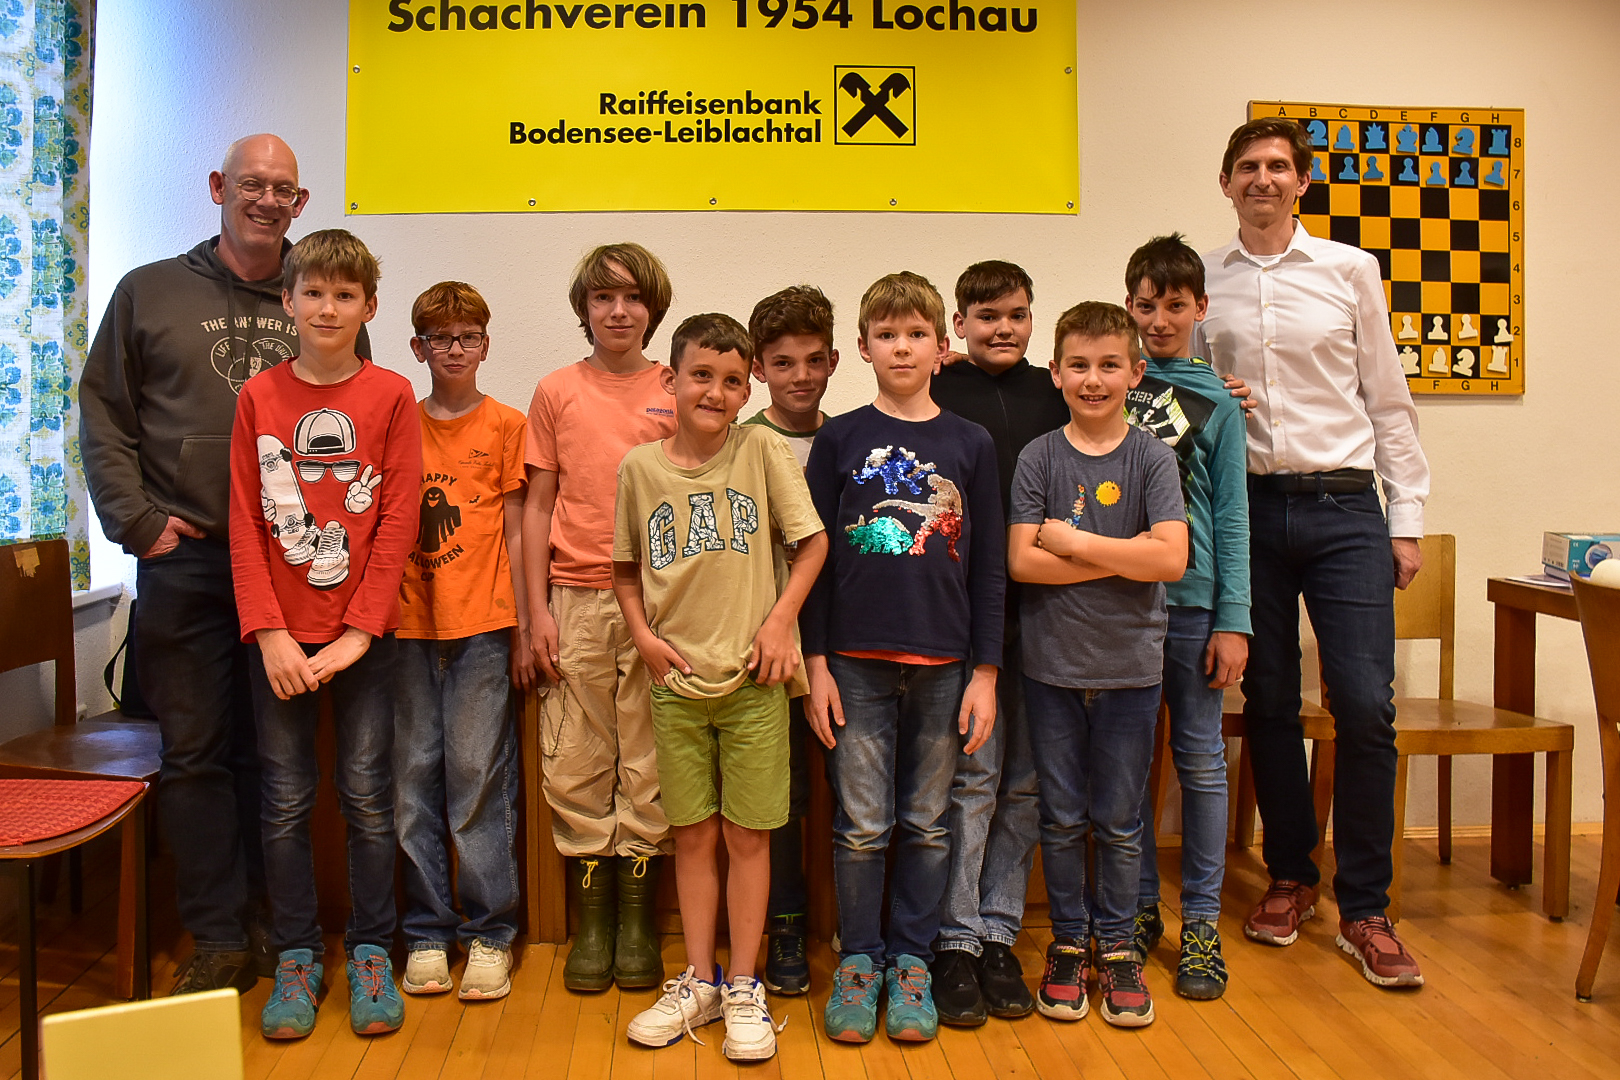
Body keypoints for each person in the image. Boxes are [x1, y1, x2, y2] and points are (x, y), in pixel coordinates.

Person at [79, 134, 368, 995]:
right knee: (197, 752)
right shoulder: (149, 291)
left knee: (273, 758)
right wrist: (138, 524)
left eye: (283, 188)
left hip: (290, 568)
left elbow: (353, 418)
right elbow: (104, 412)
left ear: (300, 202)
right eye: (251, 184)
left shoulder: (319, 292)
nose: (266, 200)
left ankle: (278, 926)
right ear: (218, 187)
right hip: (190, 563)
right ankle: (217, 934)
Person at [1199, 117, 1431, 988]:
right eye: (1247, 167)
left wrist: (1405, 519)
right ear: (1226, 182)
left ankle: (1366, 907)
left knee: (1365, 705)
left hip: (1344, 508)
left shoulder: (1349, 269)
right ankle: (1291, 875)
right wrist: (1211, 396)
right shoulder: (1204, 281)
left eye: (1277, 166)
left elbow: (1389, 400)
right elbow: (1181, 395)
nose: (1262, 178)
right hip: (1249, 511)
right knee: (1267, 698)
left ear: (1302, 181)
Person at [613, 313, 828, 1061]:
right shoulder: (640, 469)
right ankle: (699, 980)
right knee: (694, 835)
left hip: (754, 682)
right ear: (669, 379)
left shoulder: (761, 449)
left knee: (749, 835)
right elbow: (623, 569)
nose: (716, 391)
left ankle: (743, 984)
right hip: (675, 683)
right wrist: (643, 637)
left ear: (748, 389)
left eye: (733, 380)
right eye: (701, 375)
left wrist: (780, 623)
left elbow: (811, 544)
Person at [802, 271, 1004, 1045]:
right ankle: (860, 960)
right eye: (886, 334)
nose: (902, 347)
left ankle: (912, 962)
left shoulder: (970, 443)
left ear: (941, 345)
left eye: (917, 333)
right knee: (862, 825)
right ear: (862, 348)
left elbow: (989, 567)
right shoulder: (840, 438)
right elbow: (812, 557)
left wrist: (985, 672)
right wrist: (814, 662)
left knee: (925, 822)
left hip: (944, 664)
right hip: (852, 662)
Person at [228, 229, 420, 1038]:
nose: (328, 308)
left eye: (345, 295)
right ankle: (298, 955)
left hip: (362, 642)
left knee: (369, 797)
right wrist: (271, 633)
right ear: (288, 301)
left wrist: (359, 633)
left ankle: (372, 949)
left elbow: (398, 520)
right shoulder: (258, 397)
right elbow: (245, 524)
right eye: (313, 292)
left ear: (368, 307)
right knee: (283, 801)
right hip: (279, 641)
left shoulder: (393, 396)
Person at [1009, 301, 1187, 1029]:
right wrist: (1127, 556)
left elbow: (1171, 560)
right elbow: (1023, 563)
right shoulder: (1039, 457)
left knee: (1118, 820)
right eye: (1078, 365)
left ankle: (1116, 947)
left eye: (1109, 365)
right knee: (1060, 817)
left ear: (1134, 373)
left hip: (1131, 669)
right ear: (1055, 373)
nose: (1093, 379)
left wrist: (1074, 543)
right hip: (1051, 667)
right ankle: (1066, 942)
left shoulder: (1152, 457)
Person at [521, 243, 676, 992]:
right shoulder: (556, 390)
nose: (619, 311)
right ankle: (593, 920)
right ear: (584, 309)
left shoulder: (676, 386)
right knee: (576, 754)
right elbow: (538, 506)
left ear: (653, 307)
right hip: (574, 597)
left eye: (633, 297)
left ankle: (638, 919)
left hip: (658, 599)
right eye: (603, 297)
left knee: (650, 756)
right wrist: (535, 615)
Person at [926, 260, 1066, 1025]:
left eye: (1015, 314)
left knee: (1026, 782)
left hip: (1049, 613)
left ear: (1032, 318)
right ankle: (956, 936)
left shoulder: (1056, 390)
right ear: (959, 325)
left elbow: (1130, 400)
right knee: (975, 777)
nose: (1002, 328)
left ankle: (999, 929)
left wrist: (1219, 387)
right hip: (967, 615)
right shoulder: (939, 388)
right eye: (986, 316)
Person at [393, 282, 535, 1002]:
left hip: (482, 627)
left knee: (478, 777)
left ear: (485, 344)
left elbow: (517, 530)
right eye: (440, 338)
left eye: (468, 336)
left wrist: (525, 626)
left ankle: (490, 931)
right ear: (417, 348)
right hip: (404, 629)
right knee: (412, 781)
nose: (454, 349)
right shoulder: (397, 423)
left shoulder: (507, 425)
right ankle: (426, 930)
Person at [1122, 234, 1250, 1000]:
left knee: (1200, 760)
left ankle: (1201, 920)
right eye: (1147, 305)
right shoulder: (1113, 382)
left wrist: (1235, 619)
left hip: (1196, 606)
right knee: (1130, 761)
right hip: (1121, 607)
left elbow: (1231, 514)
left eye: (1175, 305)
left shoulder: (1220, 401)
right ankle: (1139, 906)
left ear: (1201, 307)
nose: (1160, 320)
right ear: (1129, 306)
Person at [741, 284, 840, 996]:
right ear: (758, 368)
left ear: (834, 360)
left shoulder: (850, 437)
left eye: (812, 360)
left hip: (840, 639)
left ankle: (851, 923)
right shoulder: (743, 441)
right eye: (782, 363)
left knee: (850, 786)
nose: (800, 376)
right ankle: (784, 924)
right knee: (777, 791)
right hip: (766, 639)